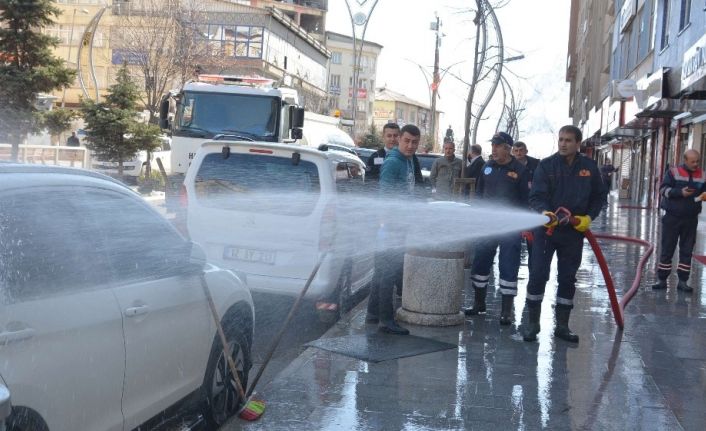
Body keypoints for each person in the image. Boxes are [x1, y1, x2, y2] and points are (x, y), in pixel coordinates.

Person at [520, 125, 607, 343]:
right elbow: (535, 196)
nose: (563, 143)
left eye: (568, 140)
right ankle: (532, 324)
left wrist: (588, 218)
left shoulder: (589, 167)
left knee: (568, 277)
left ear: (578, 143)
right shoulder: (546, 166)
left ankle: (562, 326)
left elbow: (599, 197)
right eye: (560, 139)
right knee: (538, 273)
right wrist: (545, 212)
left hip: (573, 232)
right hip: (546, 231)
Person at [464, 132, 529, 325]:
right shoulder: (487, 167)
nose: (493, 148)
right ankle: (479, 303)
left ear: (507, 148)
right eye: (492, 144)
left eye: (497, 145)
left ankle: (506, 311)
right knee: (481, 262)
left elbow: (526, 200)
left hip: (510, 227)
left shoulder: (520, 170)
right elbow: (480, 195)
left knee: (508, 264)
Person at [366, 124, 422, 335]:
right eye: (406, 141)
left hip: (398, 224)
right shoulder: (392, 163)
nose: (410, 145)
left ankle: (372, 313)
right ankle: (386, 321)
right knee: (388, 272)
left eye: (414, 142)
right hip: (390, 226)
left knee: (382, 270)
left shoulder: (407, 161)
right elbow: (386, 198)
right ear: (399, 139)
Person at [652, 149, 706, 292]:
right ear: (685, 160)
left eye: (697, 161)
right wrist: (680, 192)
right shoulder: (673, 172)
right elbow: (663, 189)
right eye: (693, 161)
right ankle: (662, 279)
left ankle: (683, 281)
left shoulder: (702, 175)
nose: (696, 164)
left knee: (687, 250)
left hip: (690, 219)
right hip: (672, 217)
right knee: (667, 248)